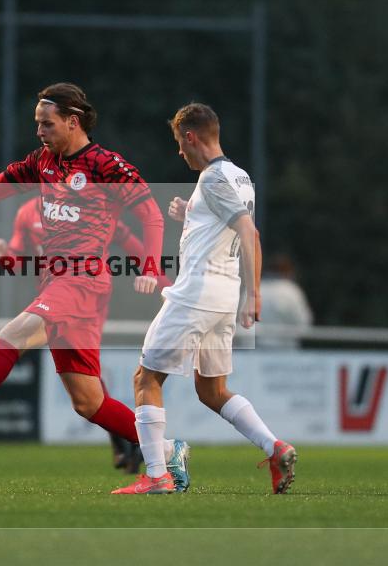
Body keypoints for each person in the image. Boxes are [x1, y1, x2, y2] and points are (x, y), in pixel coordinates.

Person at [0, 83, 188, 484]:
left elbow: (151, 216)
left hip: (83, 281)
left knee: (14, 333)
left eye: (47, 123)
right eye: (37, 124)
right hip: (56, 284)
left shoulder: (106, 165)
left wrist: (148, 266)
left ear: (73, 122)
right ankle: (167, 449)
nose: (39, 131)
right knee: (89, 402)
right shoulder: (43, 162)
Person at [112, 103, 297, 495]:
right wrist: (189, 212)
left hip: (196, 293)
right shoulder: (240, 176)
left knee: (146, 377)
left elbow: (249, 233)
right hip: (222, 297)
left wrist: (256, 293)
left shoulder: (212, 178)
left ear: (191, 137)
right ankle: (275, 446)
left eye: (180, 143)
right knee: (211, 391)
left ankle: (158, 475)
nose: (179, 152)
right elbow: (227, 227)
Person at [0, 196, 175, 473]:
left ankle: (129, 440)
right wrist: (3, 256)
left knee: (85, 374)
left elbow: (130, 243)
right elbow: (15, 261)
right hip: (52, 297)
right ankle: (126, 439)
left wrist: (165, 285)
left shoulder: (87, 209)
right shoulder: (26, 213)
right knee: (87, 378)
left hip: (88, 298)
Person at [258, 253, 313, 348]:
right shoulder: (291, 291)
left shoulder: (253, 290)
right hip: (285, 353)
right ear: (288, 271)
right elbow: (304, 325)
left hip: (254, 353)